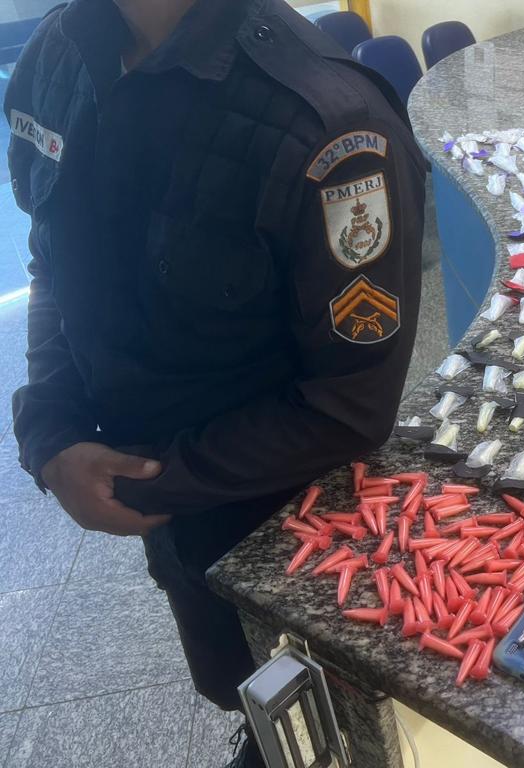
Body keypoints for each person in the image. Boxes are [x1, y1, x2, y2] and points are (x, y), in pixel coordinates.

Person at [5, 0, 425, 764]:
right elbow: (52, 257)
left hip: (285, 523)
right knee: (235, 682)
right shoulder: (57, 53)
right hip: (165, 512)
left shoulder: (328, 125)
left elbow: (352, 404)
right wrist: (52, 430)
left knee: (329, 716)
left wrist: (150, 484)